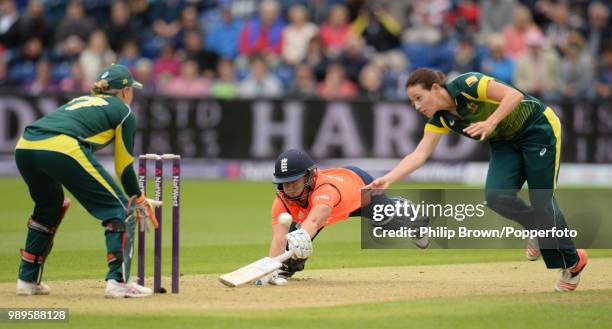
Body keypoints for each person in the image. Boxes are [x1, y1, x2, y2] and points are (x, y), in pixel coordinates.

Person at [364, 68, 588, 292]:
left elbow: (514, 95)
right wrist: (388, 178)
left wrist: (490, 122)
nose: (417, 106)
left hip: (537, 129)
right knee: (496, 197)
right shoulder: (441, 119)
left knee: (542, 200)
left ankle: (572, 263)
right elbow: (419, 154)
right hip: (504, 144)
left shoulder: (467, 84)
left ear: (435, 88)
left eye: (419, 98)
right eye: (412, 102)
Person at [15, 64, 160, 298]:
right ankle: (118, 282)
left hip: (25, 145)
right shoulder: (124, 112)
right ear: (124, 92)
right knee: (121, 208)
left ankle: (27, 279)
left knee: (49, 207)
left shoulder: (82, 100)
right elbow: (124, 168)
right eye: (131, 90)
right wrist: (139, 199)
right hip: (59, 147)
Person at [257, 149, 429, 285]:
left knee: (390, 223)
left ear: (310, 176)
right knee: (289, 255)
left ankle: (403, 211)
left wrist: (301, 238)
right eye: (285, 183)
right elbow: (278, 239)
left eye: (295, 182)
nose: (290, 188)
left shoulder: (325, 189)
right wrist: (271, 268)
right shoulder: (281, 201)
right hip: (322, 212)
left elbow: (315, 221)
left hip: (360, 192)